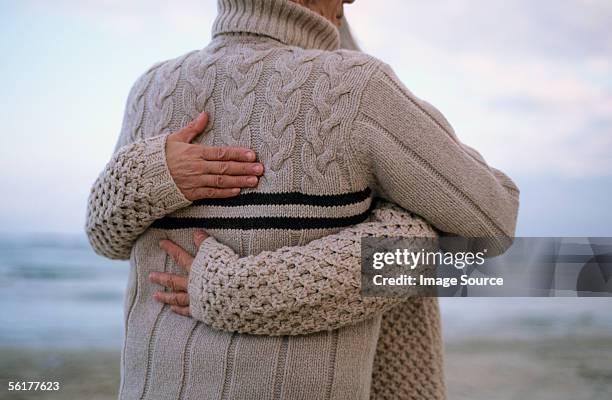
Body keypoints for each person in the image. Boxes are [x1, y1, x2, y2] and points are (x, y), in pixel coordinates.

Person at [85, 0, 520, 399]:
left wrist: (149, 175)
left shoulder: (151, 89)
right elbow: (495, 216)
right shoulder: (359, 88)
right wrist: (410, 228)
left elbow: (104, 239)